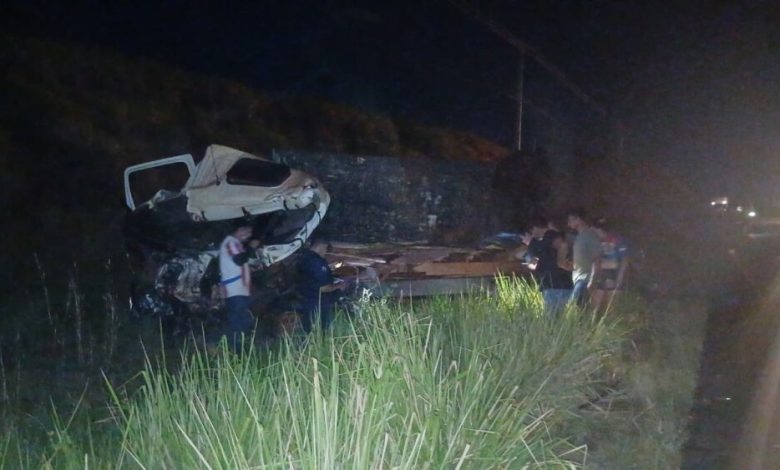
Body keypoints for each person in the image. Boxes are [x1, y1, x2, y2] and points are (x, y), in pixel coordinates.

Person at [218, 221, 261, 349]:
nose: (248, 235)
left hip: (240, 290)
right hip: (234, 290)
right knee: (237, 323)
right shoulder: (230, 243)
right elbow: (239, 260)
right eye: (247, 231)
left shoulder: (236, 244)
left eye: (250, 233)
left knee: (243, 321)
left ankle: (241, 349)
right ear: (239, 229)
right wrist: (251, 247)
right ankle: (236, 350)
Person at [521, 216, 573, 316]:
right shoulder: (546, 241)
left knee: (552, 317)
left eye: (532, 231)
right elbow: (538, 260)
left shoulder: (550, 236)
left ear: (535, 228)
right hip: (558, 284)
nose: (532, 234)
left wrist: (530, 243)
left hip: (554, 285)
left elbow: (556, 248)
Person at [295, 240, 348, 333]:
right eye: (326, 248)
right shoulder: (318, 262)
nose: (326, 251)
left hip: (306, 300)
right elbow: (324, 288)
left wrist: (331, 266)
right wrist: (340, 285)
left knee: (309, 329)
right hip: (318, 303)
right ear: (320, 245)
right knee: (322, 330)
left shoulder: (303, 257)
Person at [590, 217, 629, 312]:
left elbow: (624, 261)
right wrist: (593, 279)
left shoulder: (617, 240)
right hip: (601, 275)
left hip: (613, 275)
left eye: (594, 230)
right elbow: (596, 261)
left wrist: (619, 280)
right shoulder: (597, 241)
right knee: (594, 308)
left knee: (610, 310)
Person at [567, 207, 602, 308]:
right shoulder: (579, 236)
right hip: (578, 279)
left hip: (585, 280)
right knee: (577, 309)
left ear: (578, 219)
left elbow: (597, 260)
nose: (568, 224)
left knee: (574, 309)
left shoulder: (590, 236)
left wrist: (592, 281)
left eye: (570, 220)